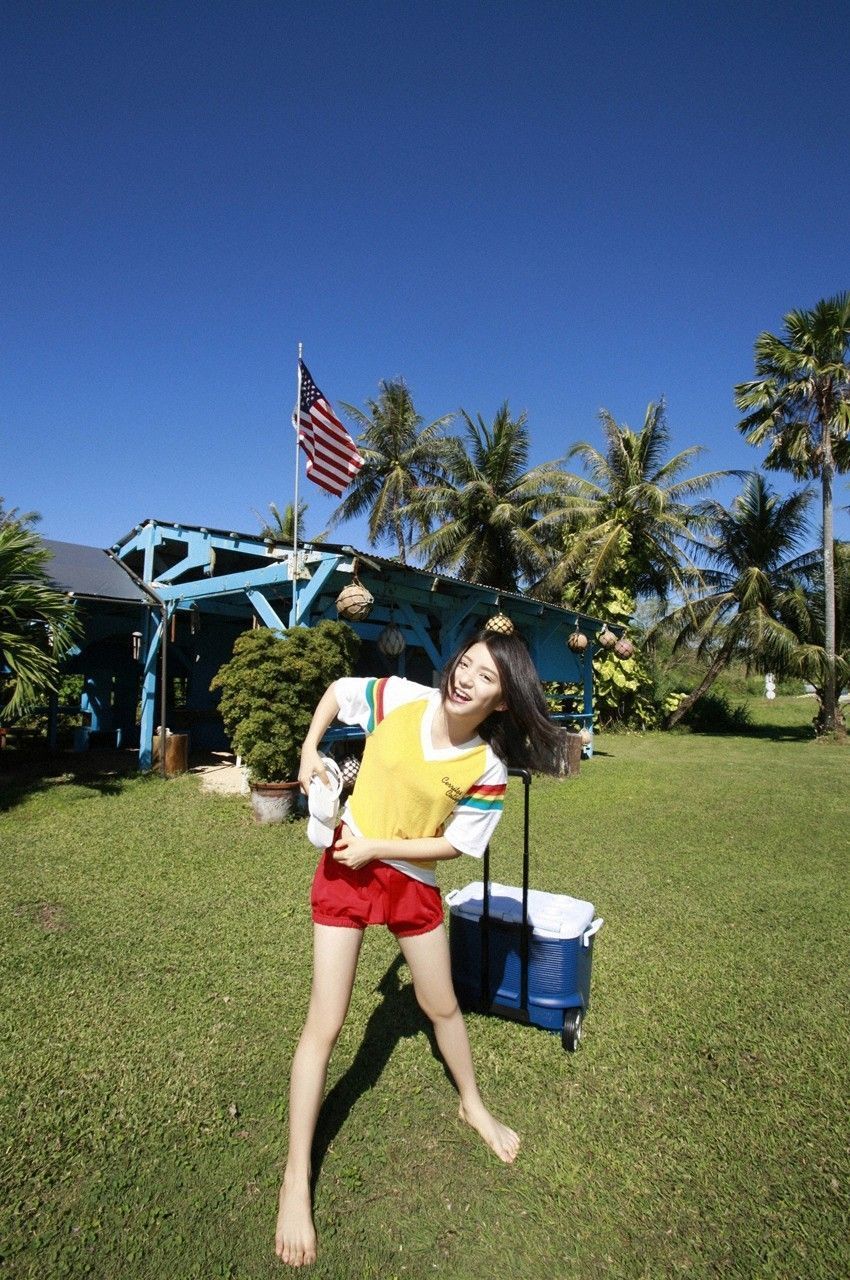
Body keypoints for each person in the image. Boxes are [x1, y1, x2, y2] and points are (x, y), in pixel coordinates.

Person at [275, 629, 561, 1268]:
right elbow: (339, 692)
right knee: (325, 1023)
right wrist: (309, 747)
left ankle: (473, 1105)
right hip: (347, 865)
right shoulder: (402, 699)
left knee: (443, 1007)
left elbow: (456, 845)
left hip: (409, 879)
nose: (465, 678)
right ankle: (296, 1176)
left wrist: (382, 848)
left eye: (485, 677)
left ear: (503, 701)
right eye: (466, 663)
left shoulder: (487, 768)